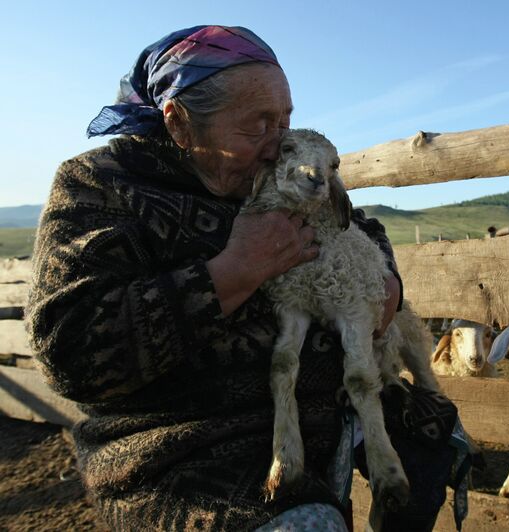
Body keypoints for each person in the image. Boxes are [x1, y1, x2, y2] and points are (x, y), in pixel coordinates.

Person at [26, 25, 469, 531]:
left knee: (431, 442)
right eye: (258, 125)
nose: (277, 142)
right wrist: (230, 272)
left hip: (327, 402)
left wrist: (387, 281)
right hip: (185, 444)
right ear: (179, 124)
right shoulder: (102, 186)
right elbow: (72, 352)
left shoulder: (271, 167)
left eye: (284, 120)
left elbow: (359, 224)